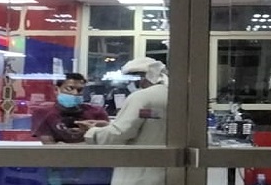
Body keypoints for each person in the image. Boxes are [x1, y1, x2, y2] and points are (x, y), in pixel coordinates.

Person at [78, 57, 169, 185]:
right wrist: (109, 125)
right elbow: (151, 121)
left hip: (138, 174)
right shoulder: (172, 95)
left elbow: (120, 133)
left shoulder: (141, 97)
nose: (129, 83)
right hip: (166, 172)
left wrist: (92, 132)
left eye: (131, 79)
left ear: (143, 78)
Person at [33, 72, 109, 144]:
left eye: (80, 90)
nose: (75, 93)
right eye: (69, 88)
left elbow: (104, 143)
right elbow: (49, 146)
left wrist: (94, 128)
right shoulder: (43, 113)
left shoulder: (97, 112)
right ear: (56, 90)